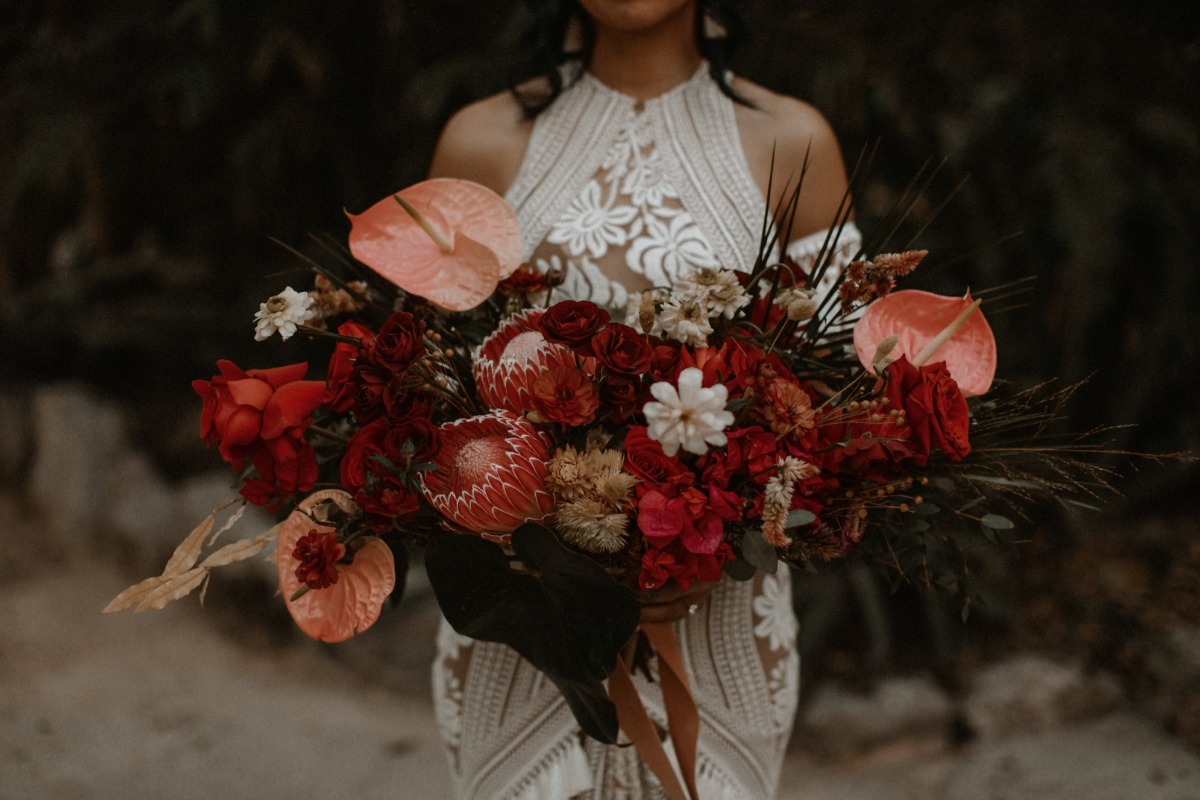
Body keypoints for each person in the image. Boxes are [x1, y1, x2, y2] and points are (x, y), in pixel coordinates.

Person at [428, 1, 860, 797]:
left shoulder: (794, 144)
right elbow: (427, 409)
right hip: (524, 649)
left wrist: (718, 531)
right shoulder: (477, 145)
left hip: (718, 631)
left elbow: (840, 414)